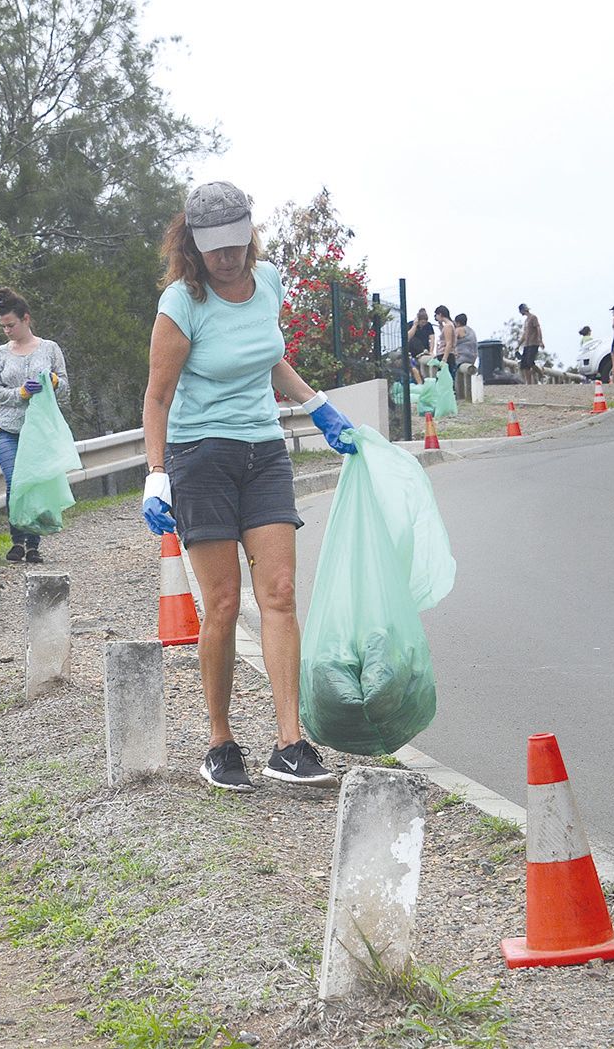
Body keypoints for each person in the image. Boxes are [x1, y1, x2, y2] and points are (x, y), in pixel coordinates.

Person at [140, 180, 355, 793]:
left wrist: (315, 405)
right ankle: (219, 741)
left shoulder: (271, 284)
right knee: (226, 603)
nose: (228, 259)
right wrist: (157, 475)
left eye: (236, 245)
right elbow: (157, 396)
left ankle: (290, 743)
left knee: (281, 592)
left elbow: (266, 357)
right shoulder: (181, 304)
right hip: (199, 455)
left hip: (263, 451)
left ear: (249, 236)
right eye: (215, 249)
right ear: (194, 244)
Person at [0, 287, 71, 564]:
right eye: (3, 327)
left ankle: (33, 544)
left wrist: (53, 383)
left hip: (39, 431)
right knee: (15, 482)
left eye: (11, 325)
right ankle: (17, 540)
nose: (7, 331)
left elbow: (65, 388)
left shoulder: (49, 349)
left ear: (25, 319)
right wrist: (20, 393)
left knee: (34, 484)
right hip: (8, 429)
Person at [518, 303, 544, 384]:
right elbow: (525, 334)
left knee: (530, 362)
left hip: (534, 343)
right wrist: (519, 344)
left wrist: (540, 340)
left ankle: (541, 374)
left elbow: (538, 328)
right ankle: (528, 383)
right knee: (524, 365)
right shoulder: (526, 321)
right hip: (527, 344)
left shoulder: (533, 317)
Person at [406, 308, 434, 372]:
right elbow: (408, 337)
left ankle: (423, 352)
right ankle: (421, 351)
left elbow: (432, 338)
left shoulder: (428, 325)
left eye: (425, 322)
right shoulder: (411, 324)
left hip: (425, 348)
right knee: (413, 339)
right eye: (422, 322)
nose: (423, 324)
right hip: (414, 349)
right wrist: (415, 325)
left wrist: (431, 351)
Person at [452, 313, 480, 377]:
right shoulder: (471, 330)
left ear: (458, 323)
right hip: (472, 357)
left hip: (462, 357)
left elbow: (453, 343)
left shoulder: (458, 330)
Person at [433, 306, 458, 375]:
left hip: (445, 354)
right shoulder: (450, 325)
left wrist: (444, 359)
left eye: (436, 315)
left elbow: (448, 343)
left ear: (440, 314)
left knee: (444, 379)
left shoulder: (448, 326)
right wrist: (441, 326)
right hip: (448, 354)